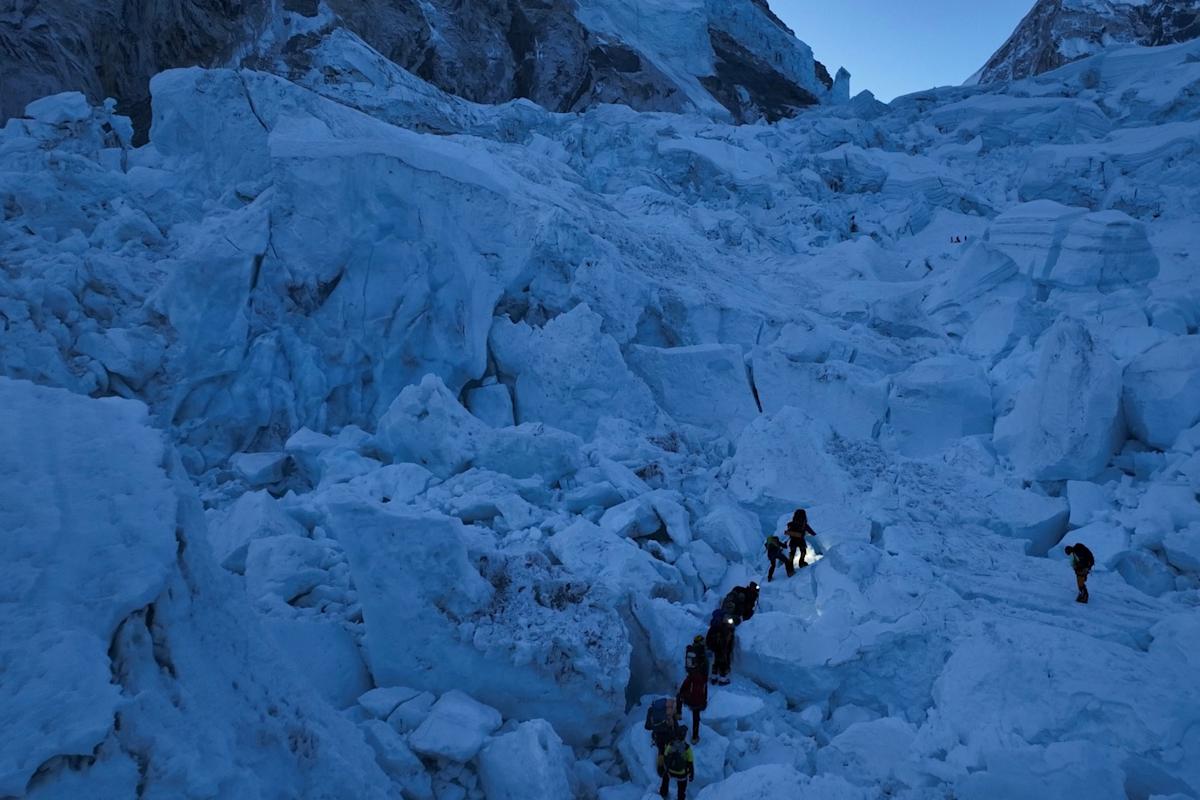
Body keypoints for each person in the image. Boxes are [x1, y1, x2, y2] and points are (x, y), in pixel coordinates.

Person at [657, 733, 694, 800]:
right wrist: (691, 775)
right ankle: (680, 798)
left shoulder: (671, 744)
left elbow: (665, 756)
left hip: (670, 771)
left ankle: (663, 793)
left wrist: (666, 768)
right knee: (681, 789)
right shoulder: (687, 747)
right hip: (681, 774)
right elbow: (690, 763)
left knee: (665, 778)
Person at [676, 666, 707, 744]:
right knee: (696, 716)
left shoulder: (690, 677)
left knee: (678, 696)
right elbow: (705, 692)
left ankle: (678, 714)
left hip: (691, 700)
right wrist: (703, 702)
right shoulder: (704, 679)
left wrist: (682, 694)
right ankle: (695, 737)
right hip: (700, 703)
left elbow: (682, 688)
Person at [706, 611, 735, 686]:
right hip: (722, 645)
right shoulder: (726, 622)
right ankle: (722, 680)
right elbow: (732, 627)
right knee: (723, 662)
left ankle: (713, 678)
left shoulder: (714, 625)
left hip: (715, 645)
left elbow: (709, 635)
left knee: (716, 661)